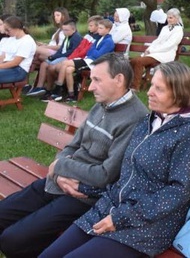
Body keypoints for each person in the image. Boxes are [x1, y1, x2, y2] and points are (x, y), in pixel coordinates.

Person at [40, 61, 190, 258]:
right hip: (111, 207)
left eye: (159, 89)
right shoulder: (149, 121)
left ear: (179, 93)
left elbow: (177, 193)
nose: (149, 92)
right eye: (152, 85)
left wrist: (121, 218)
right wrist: (85, 187)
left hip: (146, 227)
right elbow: (127, 175)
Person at [0, 53, 148, 258]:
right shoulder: (102, 103)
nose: (91, 86)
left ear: (119, 80)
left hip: (84, 195)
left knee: (12, 240)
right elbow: (74, 144)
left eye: (97, 80)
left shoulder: (134, 119)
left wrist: (61, 167)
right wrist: (61, 168)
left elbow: (106, 175)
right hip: (59, 180)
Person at [50, 19, 115, 102]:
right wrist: (93, 50)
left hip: (95, 63)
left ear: (108, 29)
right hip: (89, 59)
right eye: (98, 28)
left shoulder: (108, 41)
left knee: (65, 63)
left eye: (101, 28)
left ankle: (58, 89)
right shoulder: (100, 38)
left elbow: (98, 55)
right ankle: (71, 95)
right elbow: (89, 50)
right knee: (68, 70)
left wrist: (93, 49)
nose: (98, 29)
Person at [129, 8, 184, 90]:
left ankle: (135, 87)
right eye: (168, 17)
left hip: (166, 54)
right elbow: (157, 41)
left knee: (139, 61)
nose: (168, 19)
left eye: (171, 18)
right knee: (133, 61)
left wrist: (152, 50)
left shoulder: (178, 30)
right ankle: (131, 83)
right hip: (155, 52)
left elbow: (169, 45)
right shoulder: (165, 28)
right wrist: (149, 49)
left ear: (177, 18)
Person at [26, 20, 82, 97]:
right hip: (61, 56)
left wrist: (56, 57)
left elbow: (71, 52)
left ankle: (51, 88)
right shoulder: (67, 37)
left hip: (68, 58)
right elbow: (60, 50)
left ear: (74, 29)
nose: (64, 32)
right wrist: (54, 56)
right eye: (63, 30)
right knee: (44, 64)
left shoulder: (76, 38)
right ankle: (40, 87)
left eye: (67, 30)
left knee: (50, 67)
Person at [0, 16, 36, 85]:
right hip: (7, 66)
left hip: (18, 71)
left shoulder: (27, 41)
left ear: (16, 28)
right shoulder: (11, 39)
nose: (6, 33)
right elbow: (3, 56)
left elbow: (15, 63)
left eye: (8, 30)